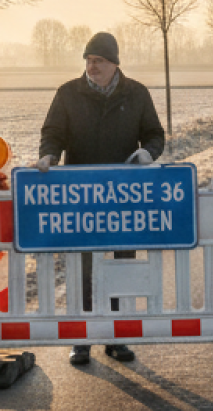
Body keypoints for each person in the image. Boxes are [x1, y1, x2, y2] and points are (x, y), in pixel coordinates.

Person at [33, 31, 165, 366]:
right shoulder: (68, 94)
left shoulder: (136, 94)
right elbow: (52, 133)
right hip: (81, 198)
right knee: (83, 268)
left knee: (122, 265)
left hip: (124, 197)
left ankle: (117, 337)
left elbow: (154, 134)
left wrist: (148, 154)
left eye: (99, 61)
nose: (92, 67)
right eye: (89, 61)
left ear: (114, 63)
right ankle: (83, 338)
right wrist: (48, 155)